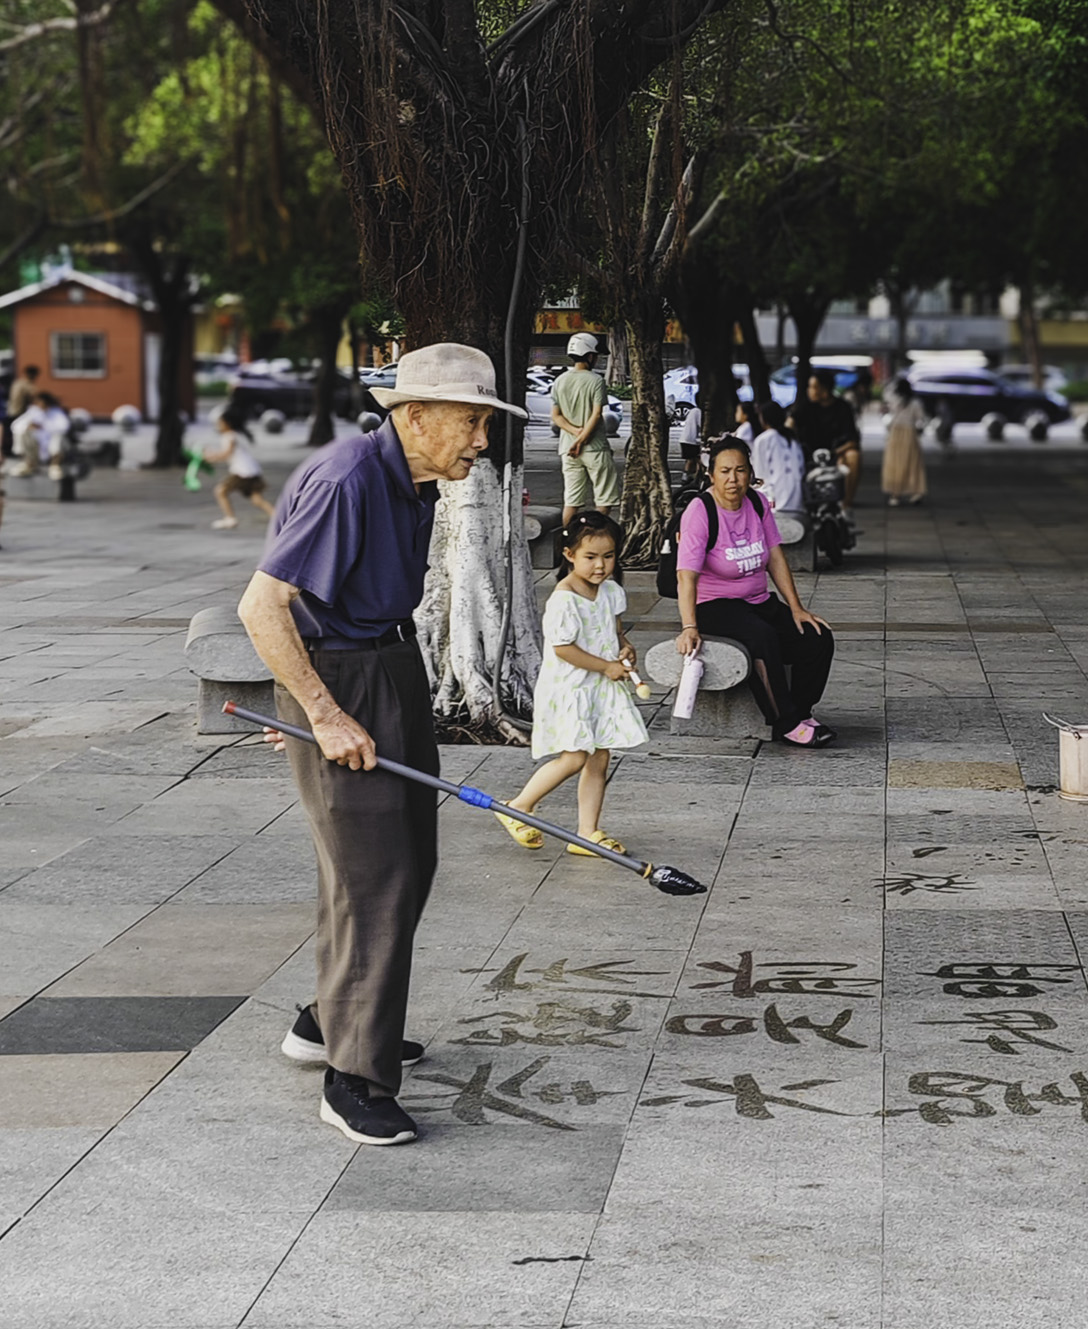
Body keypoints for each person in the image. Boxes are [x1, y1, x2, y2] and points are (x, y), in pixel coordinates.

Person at [238, 342, 527, 1146]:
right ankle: (354, 1077)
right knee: (375, 875)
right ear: (416, 415)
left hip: (387, 666)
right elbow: (262, 606)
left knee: (402, 861)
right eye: (471, 422)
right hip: (347, 676)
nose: (482, 440)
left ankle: (332, 1017)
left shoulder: (415, 479)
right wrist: (320, 712)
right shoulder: (349, 479)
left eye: (486, 423)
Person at [494, 510, 648, 858]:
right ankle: (518, 806)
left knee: (600, 756)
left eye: (608, 556)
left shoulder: (610, 591)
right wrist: (606, 666)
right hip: (572, 688)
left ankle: (587, 833)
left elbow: (615, 632)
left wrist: (624, 649)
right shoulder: (564, 600)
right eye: (590, 557)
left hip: (599, 688)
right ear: (569, 555)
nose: (600, 565)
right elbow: (563, 649)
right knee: (575, 756)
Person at [673, 437, 837, 747]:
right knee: (763, 637)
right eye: (724, 471)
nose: (733, 479)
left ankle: (801, 711)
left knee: (816, 637)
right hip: (714, 605)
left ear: (750, 473)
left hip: (758, 601)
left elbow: (775, 557)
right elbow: (686, 577)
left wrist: (797, 608)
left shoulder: (757, 503)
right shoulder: (700, 511)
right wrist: (689, 626)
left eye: (740, 470)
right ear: (711, 474)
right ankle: (786, 723)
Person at [551, 332, 615, 526]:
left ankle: (566, 537)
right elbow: (596, 415)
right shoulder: (596, 381)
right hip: (595, 448)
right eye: (595, 355)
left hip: (567, 450)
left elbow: (556, 416)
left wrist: (575, 434)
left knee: (571, 501)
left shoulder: (560, 381)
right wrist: (582, 439)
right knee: (604, 499)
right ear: (589, 355)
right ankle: (594, 534)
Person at [790, 369, 861, 511]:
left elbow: (852, 440)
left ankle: (846, 505)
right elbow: (790, 422)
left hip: (836, 453)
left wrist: (835, 453)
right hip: (808, 452)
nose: (809, 391)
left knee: (854, 456)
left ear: (824, 390)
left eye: (813, 387)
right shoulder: (806, 406)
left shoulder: (842, 407)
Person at [206, 403, 275, 530]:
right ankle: (276, 516)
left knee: (220, 491)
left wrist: (210, 456)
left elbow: (226, 454)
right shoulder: (235, 435)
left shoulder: (229, 436)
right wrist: (213, 456)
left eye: (220, 423)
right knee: (256, 499)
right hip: (252, 471)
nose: (218, 426)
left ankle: (230, 518)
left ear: (228, 424)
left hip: (242, 472)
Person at [880, 376, 927, 507]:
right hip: (910, 434)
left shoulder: (894, 400)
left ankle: (895, 493)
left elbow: (886, 409)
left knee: (894, 462)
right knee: (912, 463)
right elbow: (921, 419)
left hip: (895, 433)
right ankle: (915, 491)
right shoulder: (915, 402)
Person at [750, 402, 804, 513]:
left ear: (764, 418)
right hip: (798, 502)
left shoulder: (763, 439)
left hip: (776, 502)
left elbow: (760, 475)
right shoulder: (793, 439)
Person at [5, 362, 38, 459]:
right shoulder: (29, 385)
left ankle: (8, 451)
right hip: (20, 412)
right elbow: (35, 399)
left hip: (10, 410)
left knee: (10, 432)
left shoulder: (17, 383)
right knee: (19, 432)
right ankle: (18, 452)